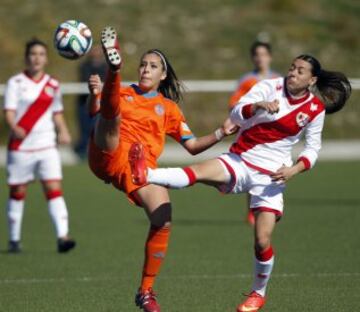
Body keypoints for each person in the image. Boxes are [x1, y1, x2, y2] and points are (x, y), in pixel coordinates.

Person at [130, 55, 351, 311]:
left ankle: (258, 293)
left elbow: (313, 149)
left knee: (262, 240)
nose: (292, 73)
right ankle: (145, 175)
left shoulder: (315, 110)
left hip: (271, 177)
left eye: (300, 71)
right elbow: (236, 112)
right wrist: (257, 106)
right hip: (241, 160)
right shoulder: (270, 87)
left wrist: (293, 170)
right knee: (197, 172)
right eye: (292, 67)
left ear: (312, 80)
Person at [86, 27, 236, 312]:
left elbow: (191, 147)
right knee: (112, 115)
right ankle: (113, 69)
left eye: (153, 66)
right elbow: (95, 112)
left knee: (163, 217)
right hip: (106, 152)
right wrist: (97, 93)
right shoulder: (122, 92)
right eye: (142, 64)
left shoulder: (168, 108)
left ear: (162, 75)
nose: (145, 69)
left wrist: (220, 132)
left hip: (139, 170)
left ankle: (145, 292)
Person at [3, 38, 76, 253]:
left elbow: (57, 113)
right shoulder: (15, 83)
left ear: (46, 59)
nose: (37, 58)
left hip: (46, 146)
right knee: (18, 190)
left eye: (41, 54)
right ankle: (14, 239)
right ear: (26, 57)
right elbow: (9, 112)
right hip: (21, 146)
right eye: (33, 54)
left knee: (53, 188)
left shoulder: (53, 85)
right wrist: (13, 126)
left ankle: (63, 236)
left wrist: (63, 130)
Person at [229, 41, 280, 225]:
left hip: (274, 136)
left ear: (270, 57)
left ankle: (270, 207)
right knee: (252, 170)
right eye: (257, 54)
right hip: (251, 135)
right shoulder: (246, 81)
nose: (260, 58)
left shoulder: (279, 81)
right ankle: (253, 210)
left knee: (274, 172)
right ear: (253, 58)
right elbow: (234, 105)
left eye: (264, 54)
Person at [74, 45, 107, 159]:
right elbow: (86, 80)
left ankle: (99, 152)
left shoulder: (105, 67)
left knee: (98, 128)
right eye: (94, 51)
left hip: (101, 102)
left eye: (98, 52)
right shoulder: (84, 66)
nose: (96, 54)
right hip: (84, 102)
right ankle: (82, 152)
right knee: (85, 127)